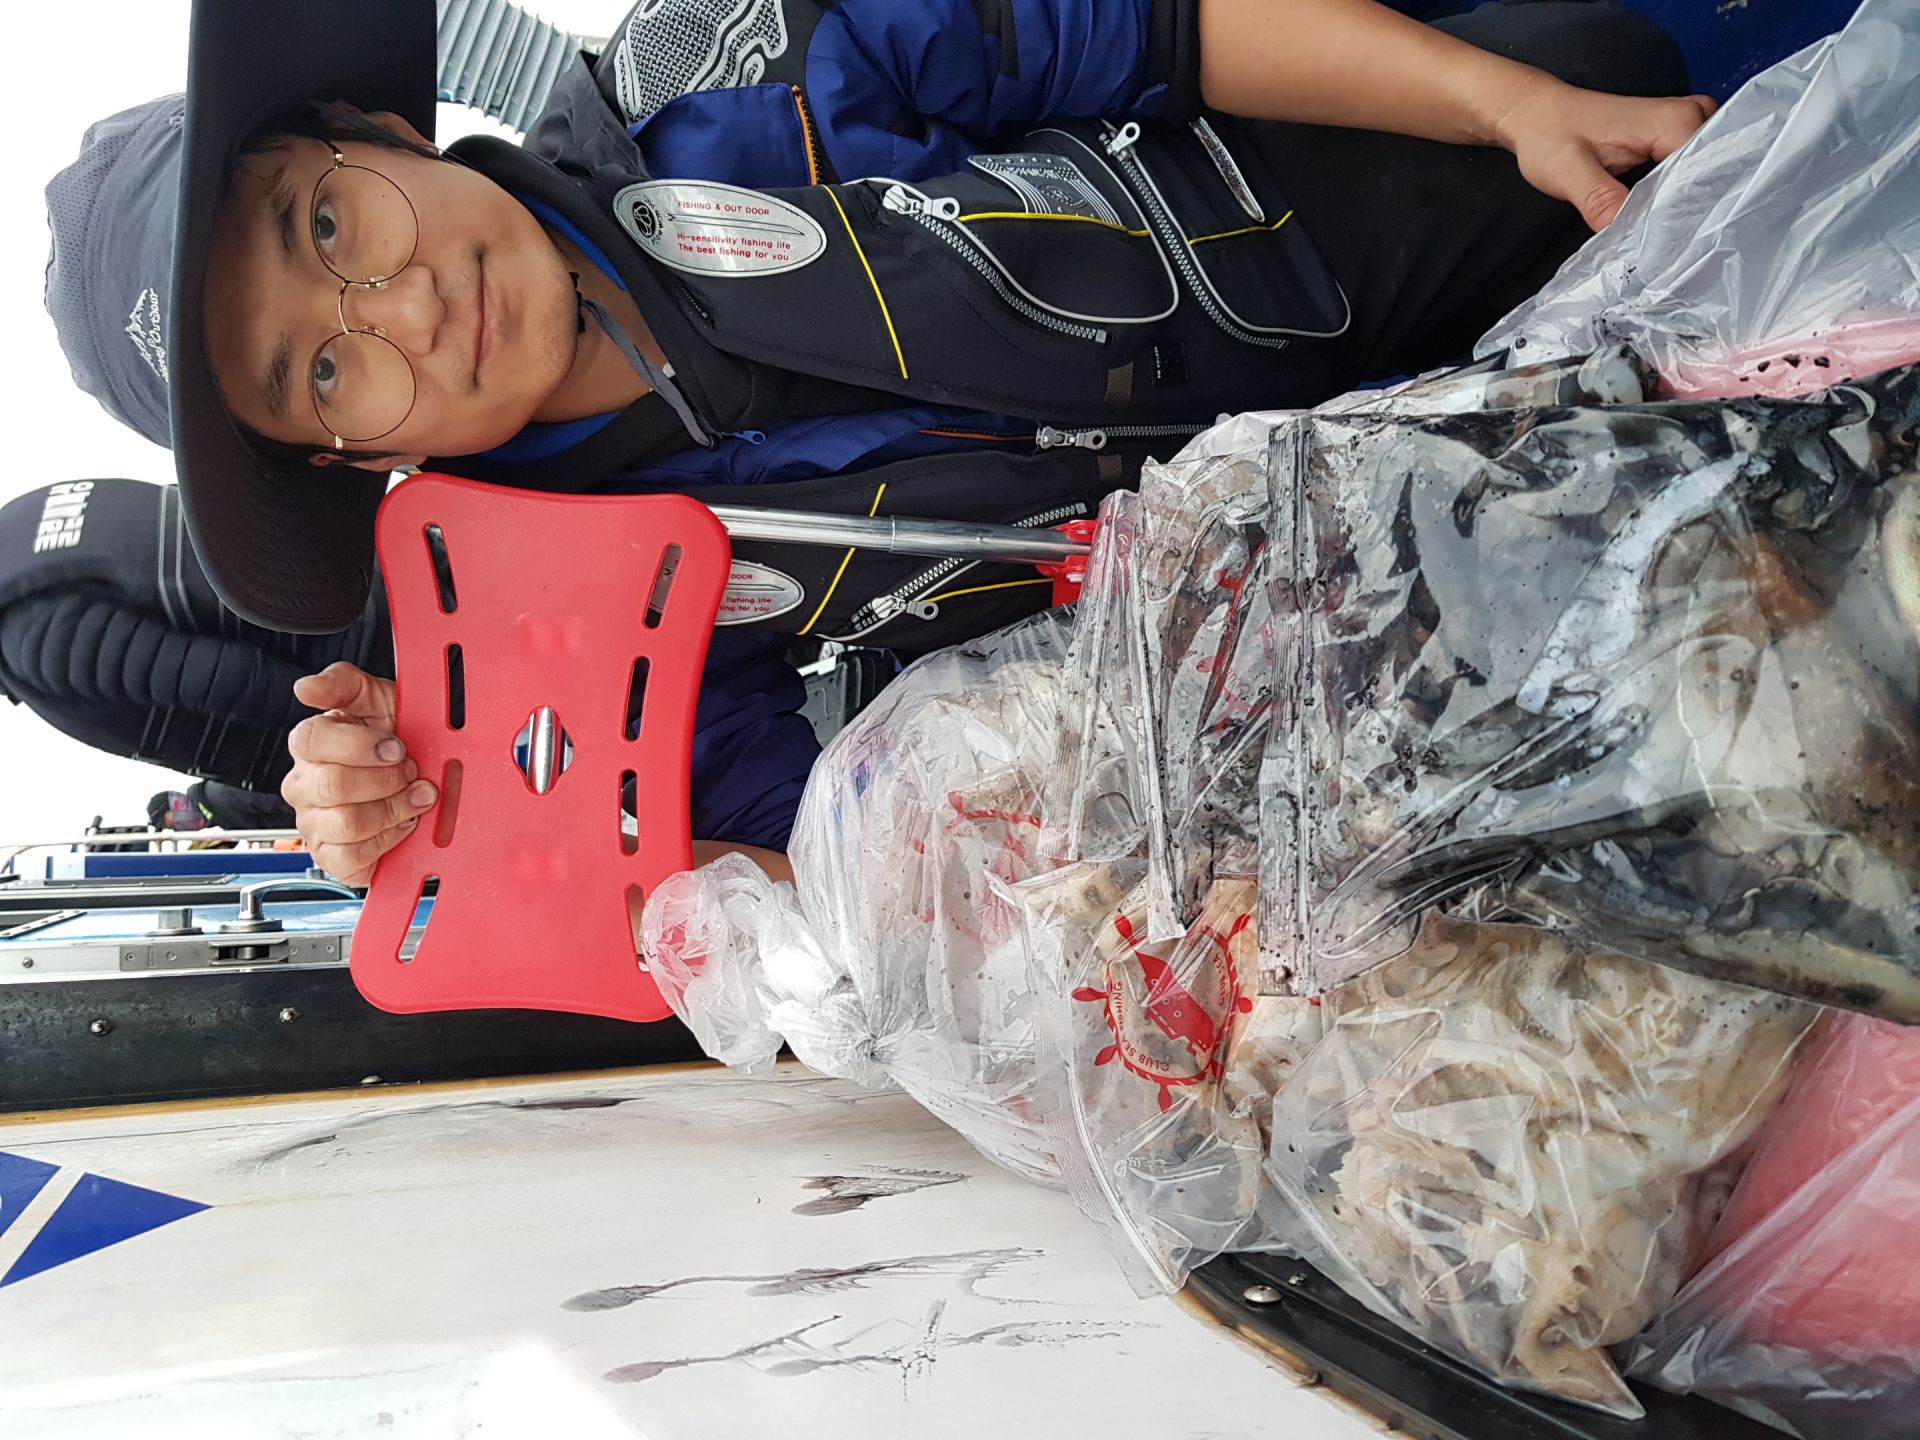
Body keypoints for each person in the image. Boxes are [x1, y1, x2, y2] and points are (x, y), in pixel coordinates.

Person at [45, 0, 1711, 887]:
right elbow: (818, 860)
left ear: (370, 126)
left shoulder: (713, 74)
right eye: (319, 371)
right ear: (344, 462)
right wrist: (465, 822)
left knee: (1612, 80)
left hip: (1301, 255)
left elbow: (1159, 30)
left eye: (326, 222)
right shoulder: (553, 613)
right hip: (1283, 613)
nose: (403, 307)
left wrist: (1506, 109)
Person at [0, 477, 390, 829]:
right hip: (365, 573)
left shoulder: (30, 635)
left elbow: (224, 679)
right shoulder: (34, 516)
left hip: (367, 660)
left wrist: (362, 729)